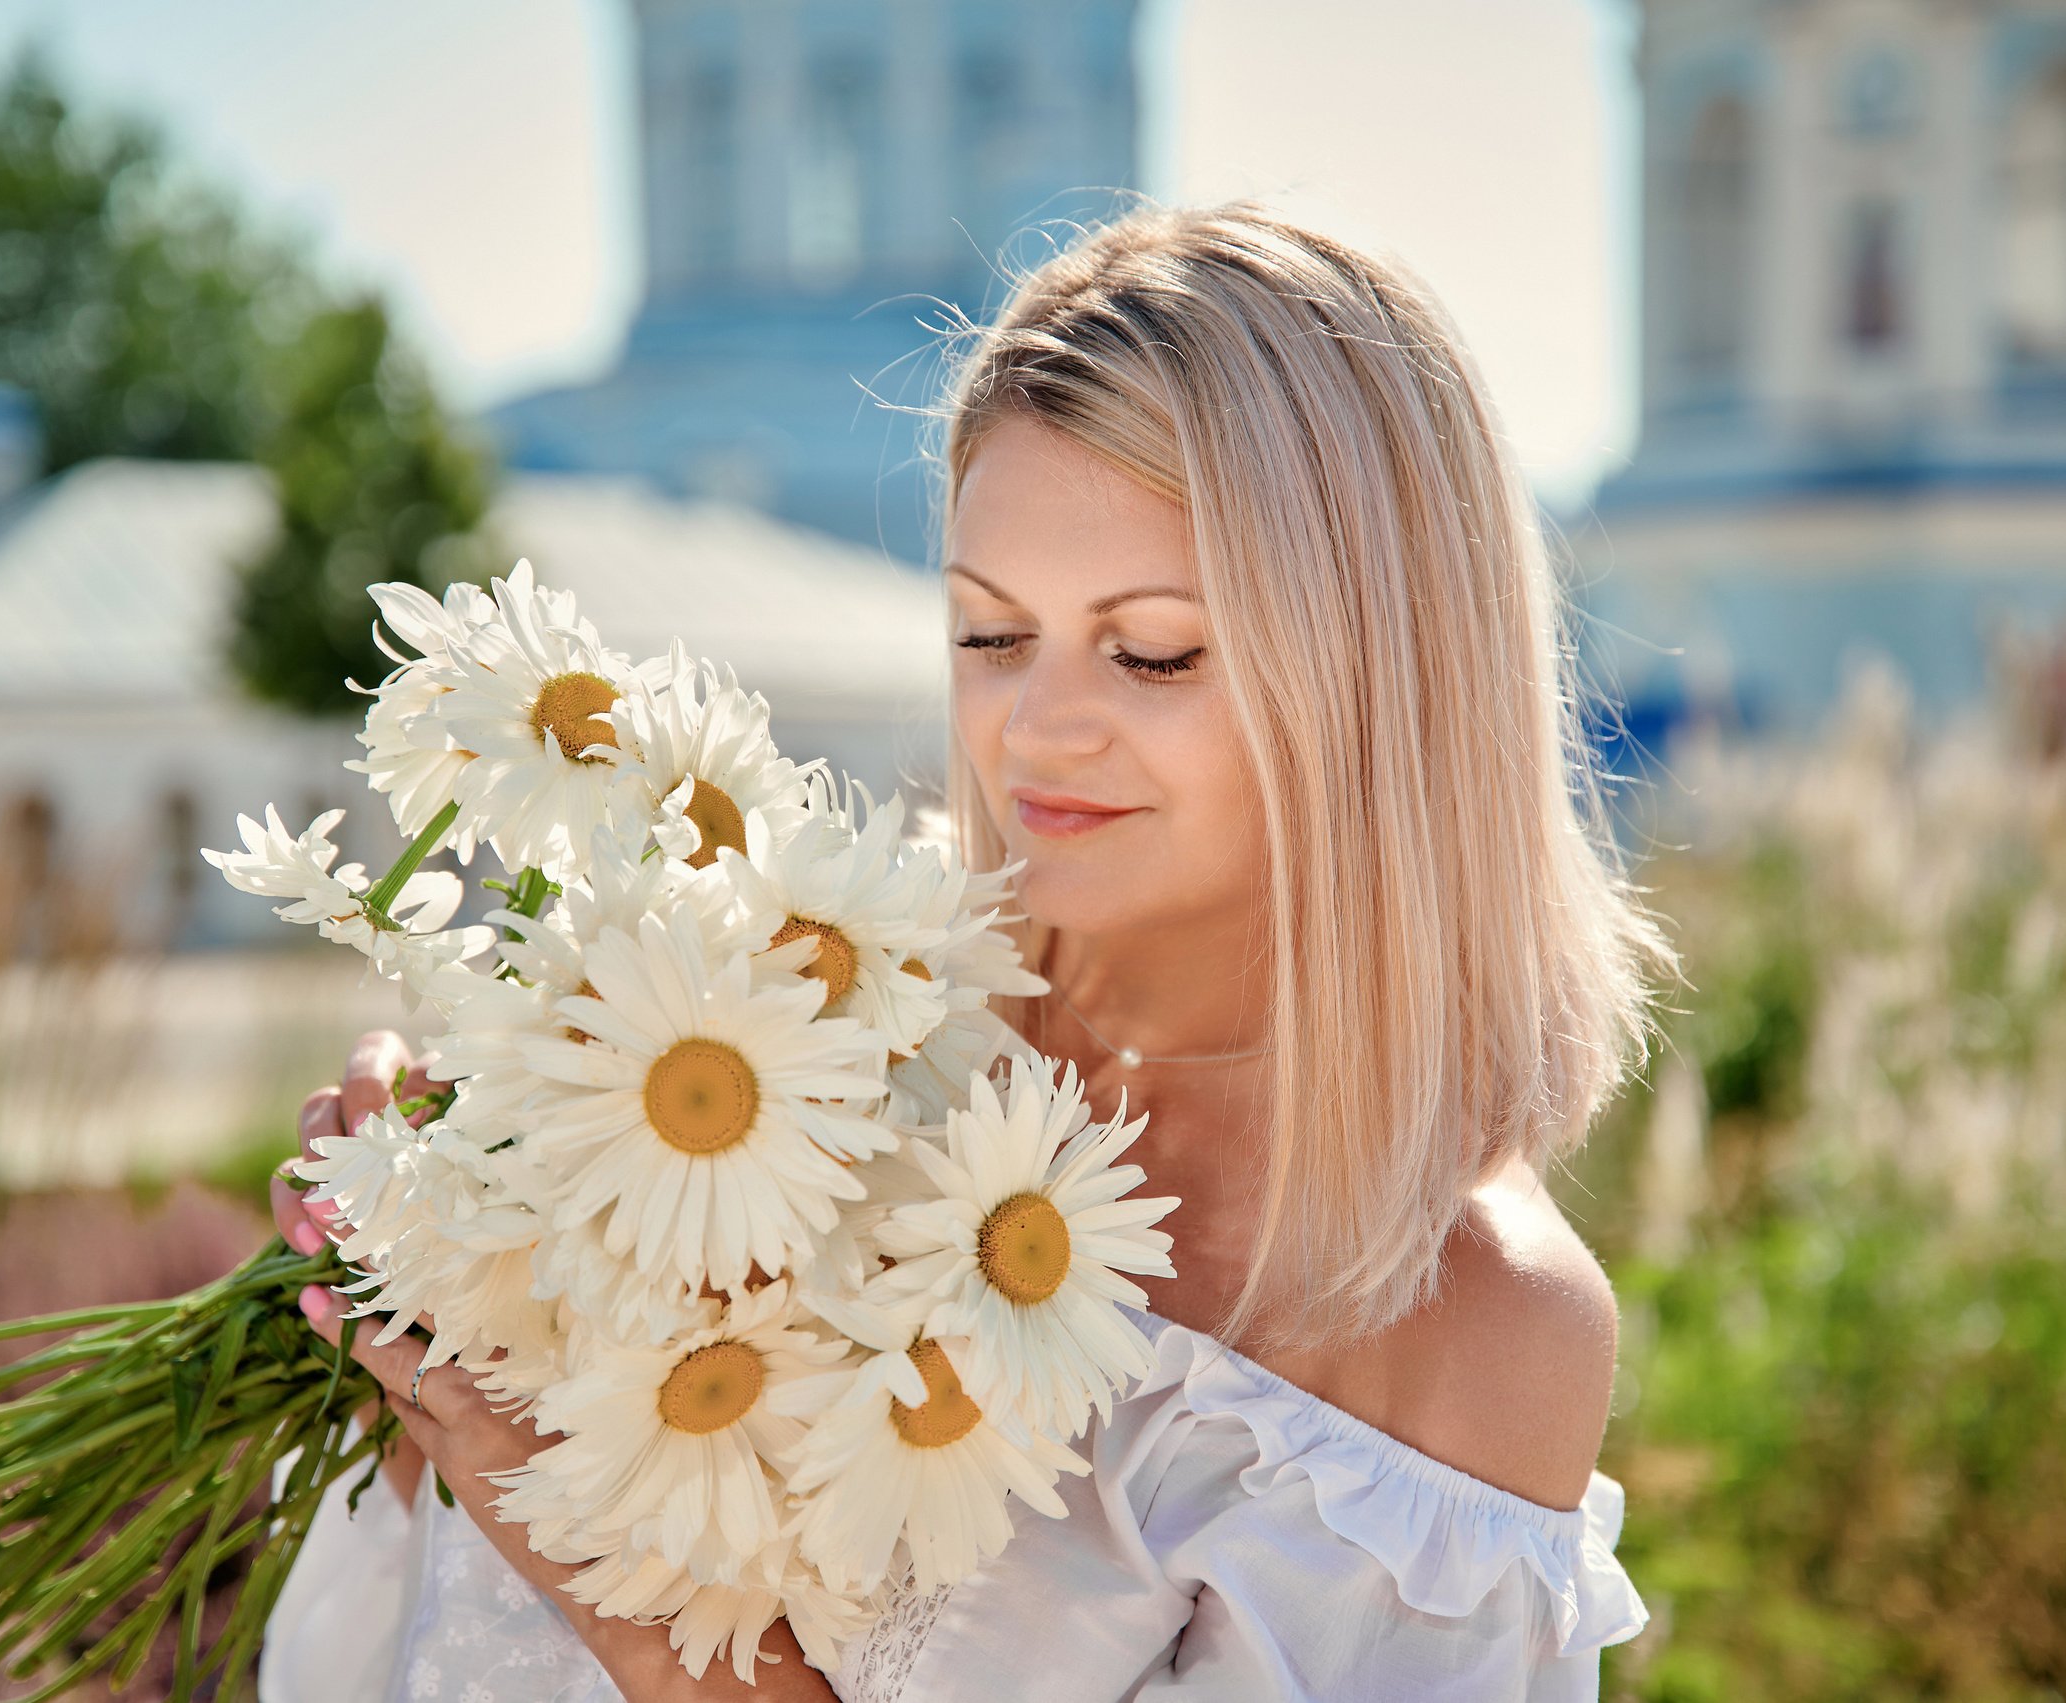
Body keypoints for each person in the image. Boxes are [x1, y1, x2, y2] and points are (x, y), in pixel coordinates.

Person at [260, 202, 1669, 1703]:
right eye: (992, 636)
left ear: (1380, 674)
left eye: (1153, 650)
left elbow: (583, 1555)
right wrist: (432, 1276)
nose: (1037, 732)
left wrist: (595, 1554)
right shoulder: (808, 998)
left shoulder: (1469, 1324)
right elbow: (411, 1626)